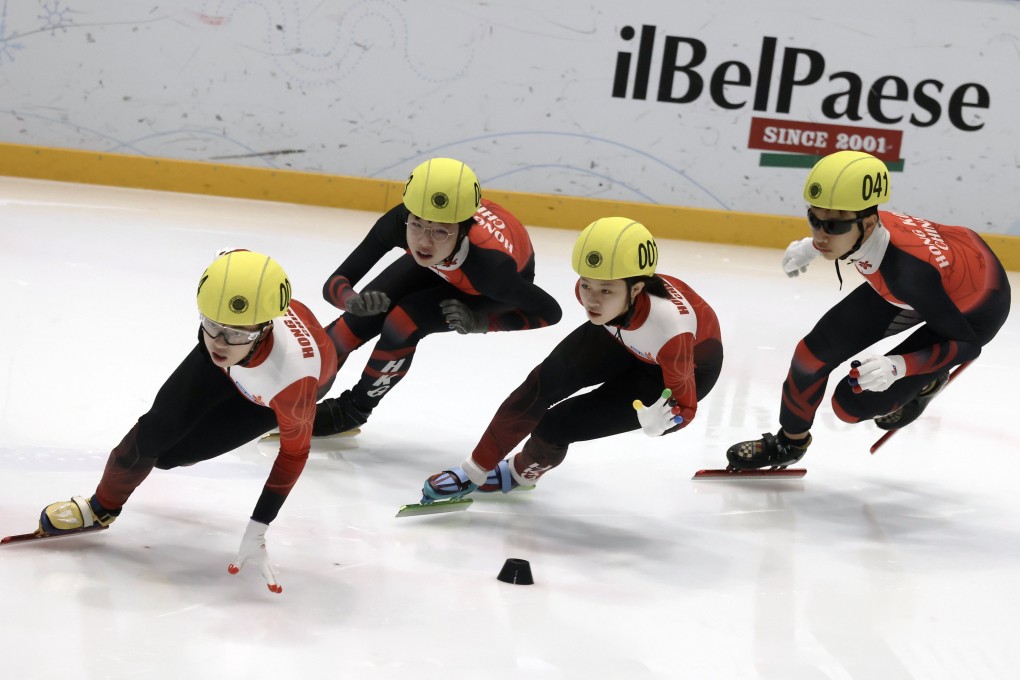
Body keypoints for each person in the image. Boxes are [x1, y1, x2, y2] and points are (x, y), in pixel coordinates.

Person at [38, 250, 338, 594]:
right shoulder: (227, 316)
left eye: (236, 333)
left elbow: (294, 455)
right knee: (154, 434)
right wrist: (226, 332)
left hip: (269, 395)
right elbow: (229, 269)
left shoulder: (292, 384)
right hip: (253, 361)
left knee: (170, 457)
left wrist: (258, 527)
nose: (220, 343)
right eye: (211, 324)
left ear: (266, 325)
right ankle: (101, 508)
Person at [727, 150, 1011, 470]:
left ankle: (928, 381)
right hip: (942, 274)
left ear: (869, 223)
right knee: (810, 356)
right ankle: (789, 443)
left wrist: (899, 366)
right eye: (814, 219)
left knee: (850, 405)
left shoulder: (907, 274)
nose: (821, 233)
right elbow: (841, 230)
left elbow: (968, 346)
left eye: (832, 226)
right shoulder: (867, 230)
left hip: (975, 308)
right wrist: (812, 247)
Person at [419, 217, 724, 501]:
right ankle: (471, 471)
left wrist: (663, 424)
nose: (591, 299)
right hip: (623, 335)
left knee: (555, 427)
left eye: (606, 289)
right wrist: (477, 468)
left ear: (637, 290)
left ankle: (518, 473)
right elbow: (600, 300)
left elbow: (685, 407)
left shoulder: (671, 330)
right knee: (539, 386)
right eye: (587, 284)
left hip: (674, 373)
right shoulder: (600, 298)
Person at [312, 157, 562, 436]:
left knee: (403, 321)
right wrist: (351, 301)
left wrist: (481, 323)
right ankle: (299, 382)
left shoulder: (492, 271)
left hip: (481, 290)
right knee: (352, 325)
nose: (424, 241)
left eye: (441, 230)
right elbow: (336, 281)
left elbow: (550, 312)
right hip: (444, 263)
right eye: (416, 225)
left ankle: (352, 410)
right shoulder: (401, 221)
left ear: (464, 229)